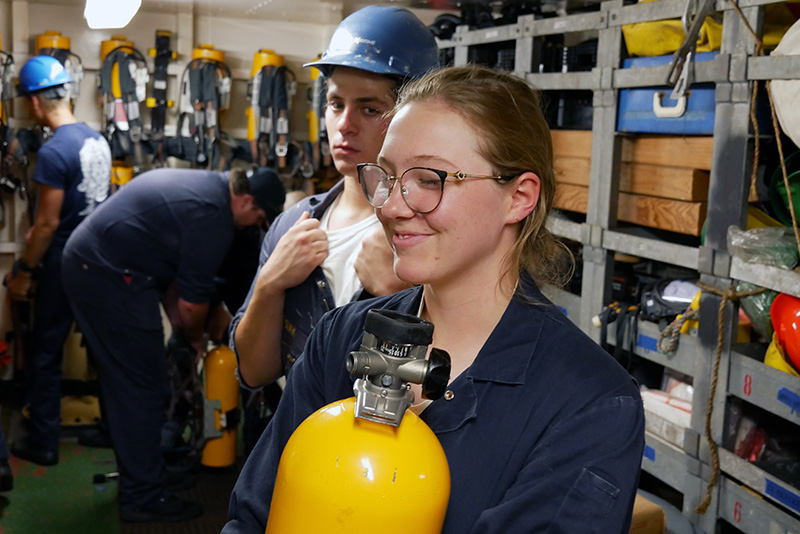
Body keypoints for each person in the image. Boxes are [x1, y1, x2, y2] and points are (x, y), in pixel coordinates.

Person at [222, 65, 645, 533]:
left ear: (519, 197)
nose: (392, 206)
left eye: (429, 178)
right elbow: (254, 516)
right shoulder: (339, 338)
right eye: (386, 176)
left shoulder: (590, 404)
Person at [230, 5, 440, 390]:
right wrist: (269, 285)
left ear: (415, 115)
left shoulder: (435, 230)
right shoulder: (293, 225)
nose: (344, 125)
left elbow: (464, 382)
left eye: (369, 108)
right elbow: (254, 372)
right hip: (298, 442)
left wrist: (407, 299)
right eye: (335, 104)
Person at [61, 166, 284, 523]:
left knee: (132, 381)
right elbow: (192, 306)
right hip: (105, 273)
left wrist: (184, 324)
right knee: (143, 386)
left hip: (104, 267)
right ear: (245, 200)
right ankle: (143, 495)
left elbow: (174, 277)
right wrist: (193, 338)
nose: (254, 224)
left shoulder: (207, 190)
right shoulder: (214, 216)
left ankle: (147, 472)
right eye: (258, 216)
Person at [6, 55, 112, 467]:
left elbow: (48, 223)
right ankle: (111, 428)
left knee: (46, 350)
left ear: (35, 103)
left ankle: (44, 442)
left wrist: (26, 271)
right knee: (103, 349)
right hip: (99, 260)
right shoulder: (97, 140)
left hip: (64, 262)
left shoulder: (54, 152)